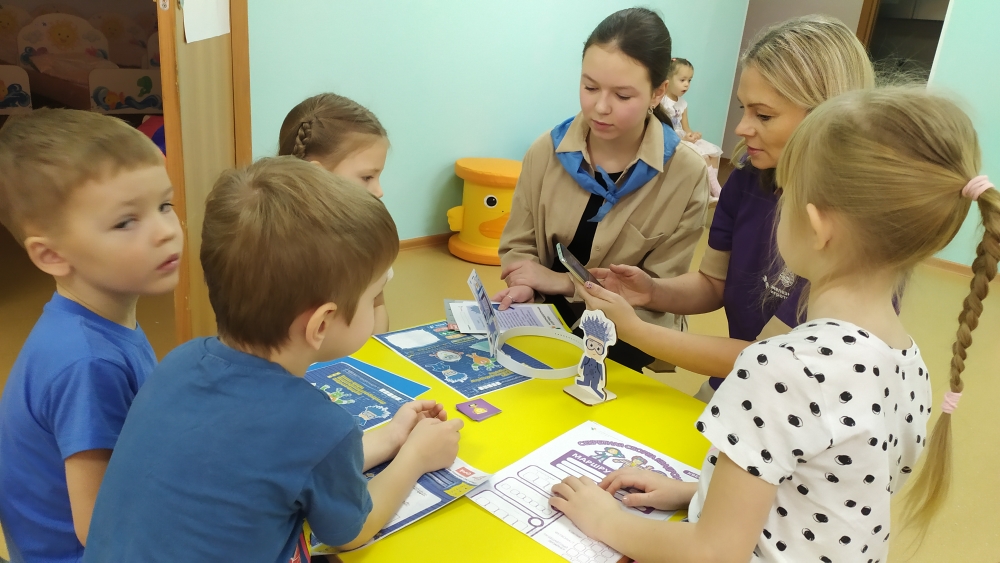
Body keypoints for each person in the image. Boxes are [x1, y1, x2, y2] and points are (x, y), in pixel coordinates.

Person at [551, 86, 991, 563]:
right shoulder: (908, 362)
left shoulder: (779, 368)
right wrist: (697, 492)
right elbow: (823, 492)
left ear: (816, 226)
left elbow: (713, 554)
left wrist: (607, 520)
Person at [83, 158, 463, 562]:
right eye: (374, 296)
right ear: (321, 324)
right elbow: (352, 532)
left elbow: (276, 468)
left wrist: (389, 439)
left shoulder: (179, 362)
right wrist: (416, 457)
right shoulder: (318, 425)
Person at [577, 16, 875, 399]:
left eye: (763, 115)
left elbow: (770, 361)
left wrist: (635, 330)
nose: (741, 128)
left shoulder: (854, 229)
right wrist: (652, 292)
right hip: (736, 386)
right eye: (743, 109)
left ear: (829, 117)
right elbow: (714, 283)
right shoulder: (750, 179)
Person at [0, 109, 181, 562]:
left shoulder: (98, 322)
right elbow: (100, 528)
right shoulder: (87, 363)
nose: (166, 231)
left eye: (165, 205)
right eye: (125, 222)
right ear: (52, 255)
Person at [496, 7, 710, 372]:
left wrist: (565, 283)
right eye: (590, 87)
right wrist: (524, 282)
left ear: (658, 92)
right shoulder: (547, 151)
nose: (600, 107)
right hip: (543, 316)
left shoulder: (685, 175)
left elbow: (659, 289)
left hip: (626, 334)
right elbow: (519, 243)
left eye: (623, 96)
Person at [278, 92, 392, 333]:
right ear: (317, 175)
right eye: (367, 177)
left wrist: (376, 348)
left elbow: (378, 306)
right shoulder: (276, 245)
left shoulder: (367, 238)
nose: (379, 191)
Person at [660, 58, 725, 198]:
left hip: (683, 137)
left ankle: (709, 191)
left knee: (714, 153)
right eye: (682, 80)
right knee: (703, 157)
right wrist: (683, 138)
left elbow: (686, 128)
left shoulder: (683, 104)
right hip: (671, 140)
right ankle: (717, 193)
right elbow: (662, 130)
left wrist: (693, 135)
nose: (687, 84)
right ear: (668, 79)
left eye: (689, 80)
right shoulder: (661, 101)